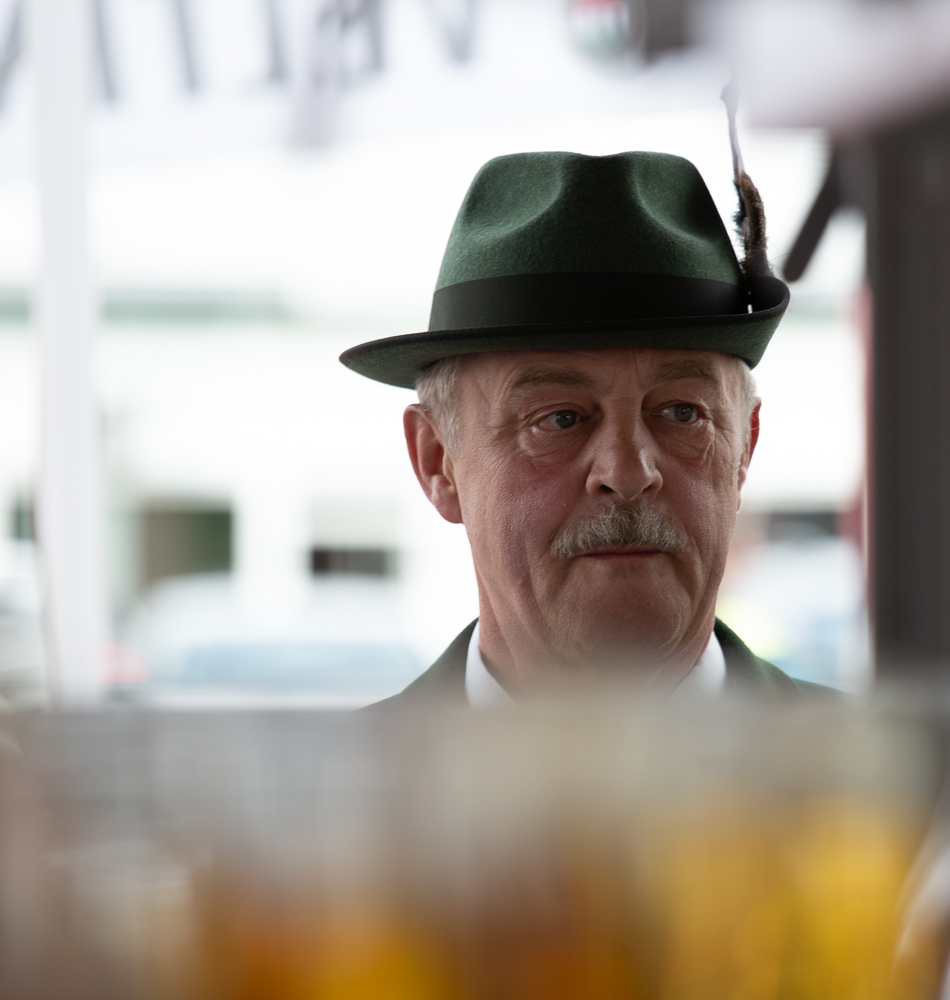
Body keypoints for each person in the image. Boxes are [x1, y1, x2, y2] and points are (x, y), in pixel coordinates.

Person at [340, 150, 835, 704]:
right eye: (559, 419)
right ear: (438, 462)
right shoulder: (326, 767)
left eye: (683, 413)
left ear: (744, 447)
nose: (627, 474)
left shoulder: (892, 757)